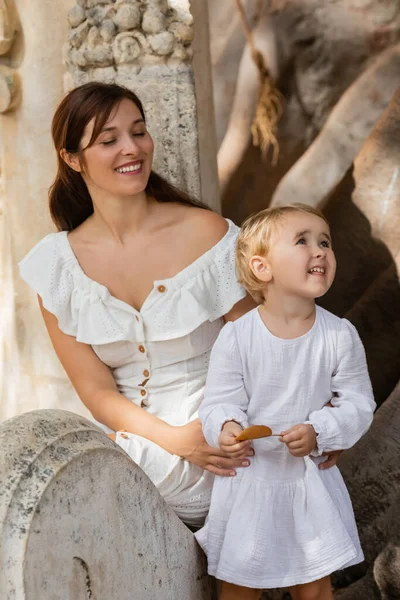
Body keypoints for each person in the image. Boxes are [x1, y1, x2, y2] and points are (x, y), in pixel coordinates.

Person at [18, 82, 341, 528]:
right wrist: (174, 441)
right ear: (73, 159)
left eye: (139, 132)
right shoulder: (54, 268)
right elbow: (97, 392)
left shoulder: (206, 234)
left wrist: (320, 422)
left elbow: (264, 350)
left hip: (227, 443)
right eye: (109, 140)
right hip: (142, 447)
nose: (132, 149)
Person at [194, 204, 376, 599]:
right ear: (262, 268)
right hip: (250, 481)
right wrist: (226, 428)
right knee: (239, 586)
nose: (320, 251)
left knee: (314, 586)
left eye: (325, 242)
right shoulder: (238, 336)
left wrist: (320, 431)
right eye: (302, 241)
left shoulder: (338, 335)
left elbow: (358, 402)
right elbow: (220, 400)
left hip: (307, 482)